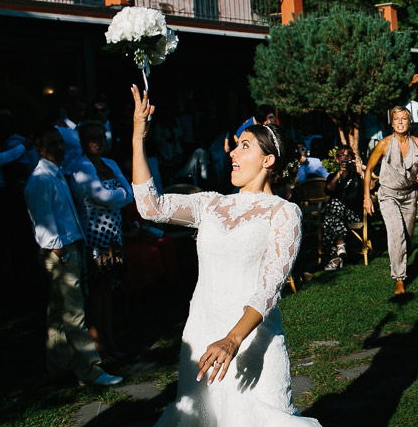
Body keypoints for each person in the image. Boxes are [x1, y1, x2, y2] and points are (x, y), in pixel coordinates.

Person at [130, 85, 319, 426]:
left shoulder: (283, 213)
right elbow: (149, 206)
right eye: (234, 144)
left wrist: (233, 340)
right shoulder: (211, 203)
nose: (232, 151)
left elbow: (269, 289)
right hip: (202, 334)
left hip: (251, 344)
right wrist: (137, 137)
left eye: (244, 145)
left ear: (268, 159)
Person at [25, 125, 122, 386]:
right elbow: (43, 223)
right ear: (40, 148)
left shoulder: (56, 174)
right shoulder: (41, 179)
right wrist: (61, 253)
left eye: (61, 143)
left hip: (72, 246)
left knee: (57, 312)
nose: (59, 148)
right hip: (62, 251)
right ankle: (90, 371)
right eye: (52, 143)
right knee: (74, 314)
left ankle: (59, 366)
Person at [70, 120, 134, 361]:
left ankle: (111, 344)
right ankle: (101, 349)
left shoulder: (110, 163)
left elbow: (128, 195)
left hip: (114, 236)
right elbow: (103, 195)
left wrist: (115, 197)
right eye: (91, 138)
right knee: (96, 294)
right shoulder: (81, 167)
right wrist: (117, 195)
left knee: (107, 293)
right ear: (83, 143)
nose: (98, 142)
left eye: (101, 137)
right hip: (94, 238)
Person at [364, 106, 418, 296]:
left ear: (409, 121)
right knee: (396, 234)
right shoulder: (384, 144)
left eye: (404, 119)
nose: (401, 122)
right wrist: (367, 198)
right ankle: (399, 279)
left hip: (409, 195)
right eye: (397, 119)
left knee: (407, 237)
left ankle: (400, 261)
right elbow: (369, 169)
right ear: (392, 123)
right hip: (388, 194)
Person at [321, 146, 364, 271]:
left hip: (354, 213)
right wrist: (339, 173)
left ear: (352, 158)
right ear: (337, 159)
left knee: (332, 209)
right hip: (337, 215)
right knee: (334, 206)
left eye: (348, 155)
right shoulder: (333, 176)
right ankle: (339, 254)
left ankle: (336, 252)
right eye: (341, 155)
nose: (344, 158)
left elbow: (372, 186)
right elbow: (329, 189)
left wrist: (361, 172)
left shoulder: (356, 175)